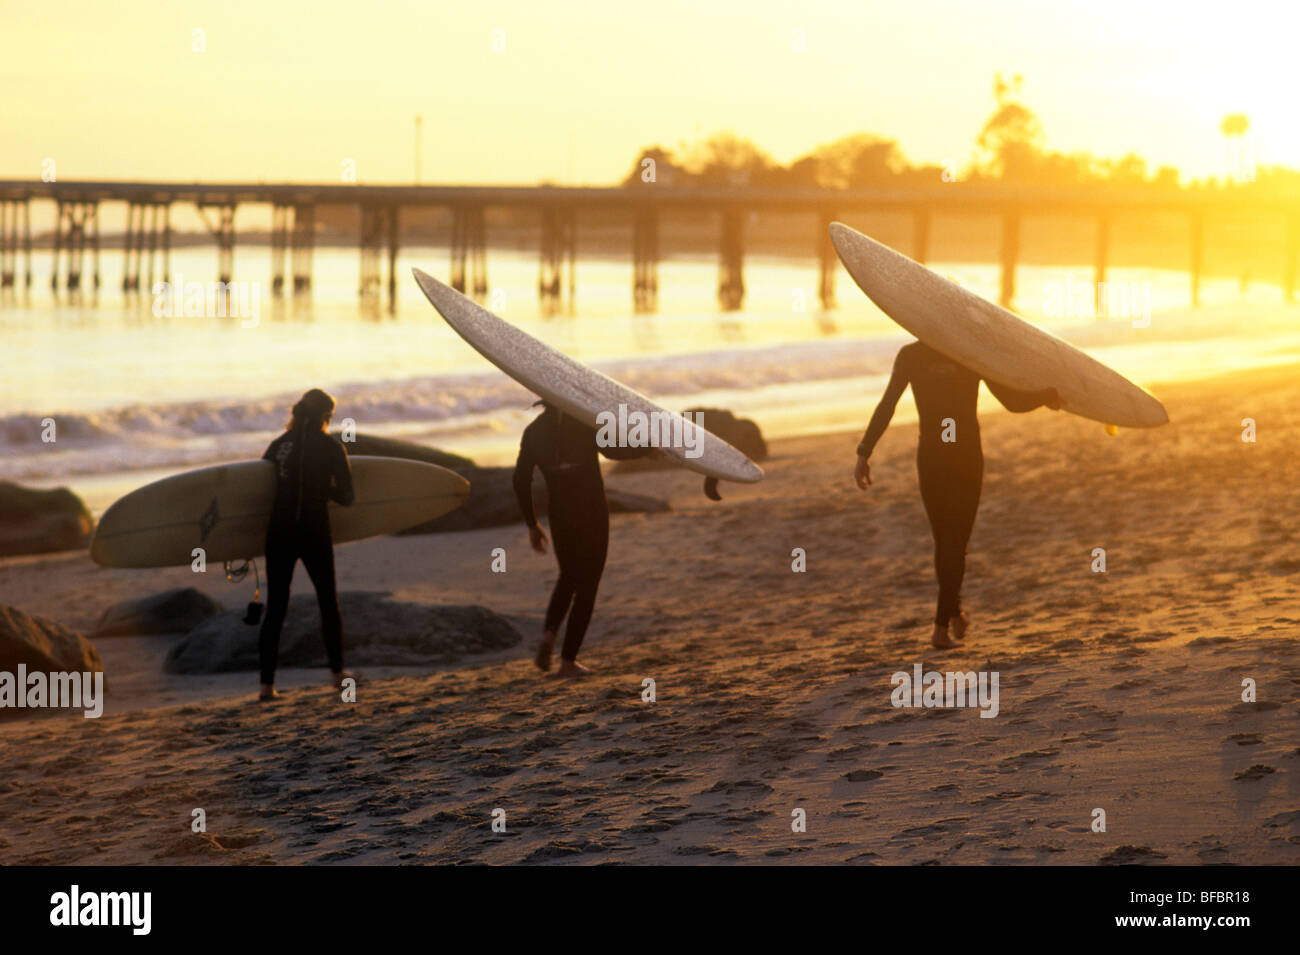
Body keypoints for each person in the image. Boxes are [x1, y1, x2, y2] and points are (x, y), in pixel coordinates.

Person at [855, 342, 1060, 649]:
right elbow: (1012, 402)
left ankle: (953, 612)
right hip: (964, 456)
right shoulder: (970, 350)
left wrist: (864, 453)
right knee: (955, 541)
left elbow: (887, 405)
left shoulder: (912, 355)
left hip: (932, 457)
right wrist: (1049, 396)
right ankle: (941, 628)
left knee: (946, 541)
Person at [513, 402, 650, 677]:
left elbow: (520, 479)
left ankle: (549, 635)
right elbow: (612, 450)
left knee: (568, 575)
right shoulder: (584, 421)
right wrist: (649, 448)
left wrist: (532, 524)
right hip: (591, 511)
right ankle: (567, 662)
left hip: (560, 513)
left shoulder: (533, 431)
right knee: (588, 585)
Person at [257, 388, 354, 700]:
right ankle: (338, 675)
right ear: (326, 417)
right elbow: (348, 497)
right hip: (314, 533)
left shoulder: (278, 446)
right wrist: (323, 489)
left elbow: (260, 492)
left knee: (276, 609)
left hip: (279, 533)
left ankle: (266, 686)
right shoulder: (331, 448)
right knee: (327, 602)